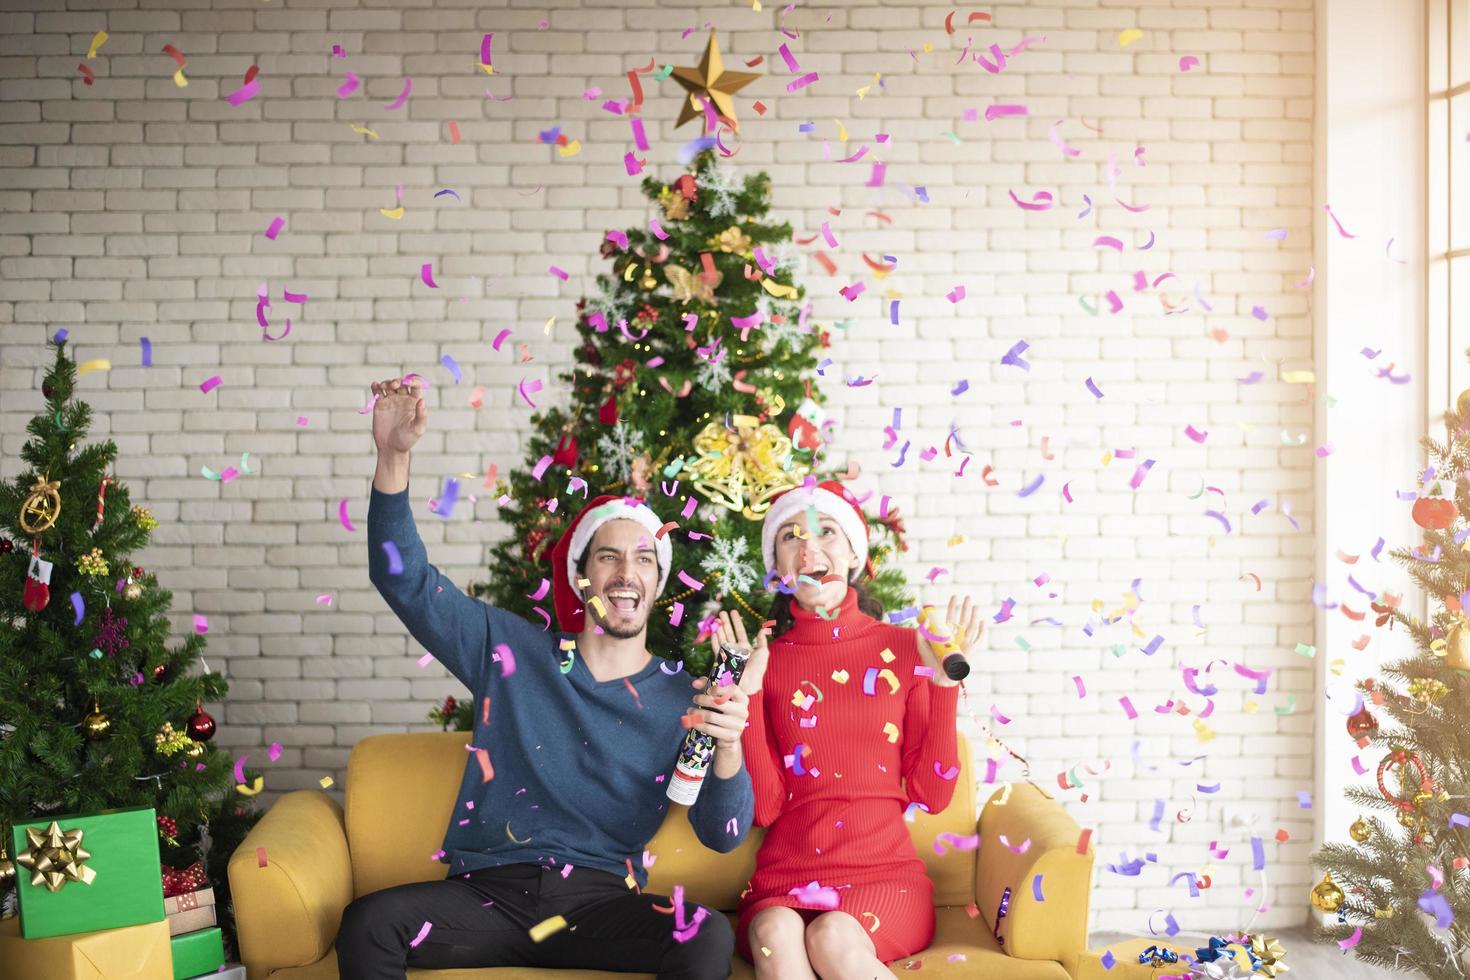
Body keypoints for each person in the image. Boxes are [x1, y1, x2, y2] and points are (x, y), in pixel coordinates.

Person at [337, 377, 754, 980]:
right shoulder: (510, 651)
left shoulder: (684, 697)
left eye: (644, 559)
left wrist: (729, 745)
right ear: (582, 576)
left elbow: (722, 835)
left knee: (705, 933)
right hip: (486, 896)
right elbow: (404, 579)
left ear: (659, 587)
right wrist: (393, 457)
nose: (625, 573)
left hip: (601, 903)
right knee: (368, 923)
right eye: (608, 556)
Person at [715, 480, 984, 979]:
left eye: (827, 533)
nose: (810, 547)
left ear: (854, 553)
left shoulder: (908, 648)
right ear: (778, 568)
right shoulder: (765, 662)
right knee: (776, 933)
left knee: (832, 934)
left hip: (883, 877)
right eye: (791, 536)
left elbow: (934, 792)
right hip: (784, 878)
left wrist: (944, 687)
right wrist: (748, 697)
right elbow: (766, 808)